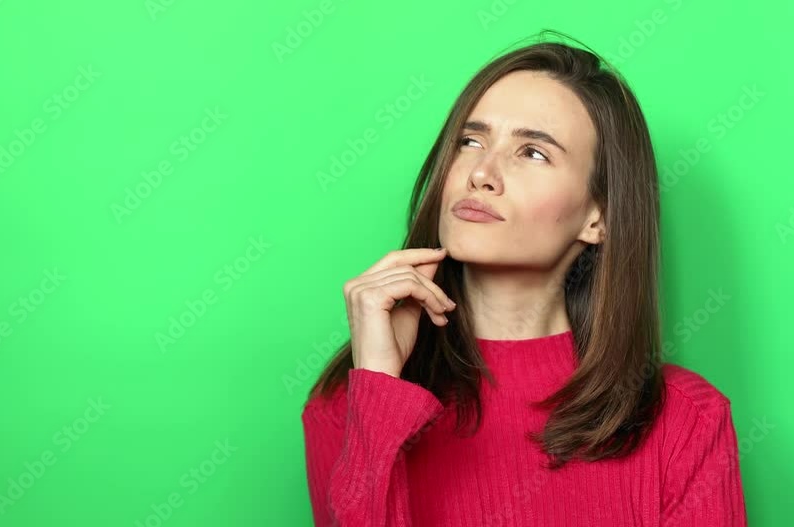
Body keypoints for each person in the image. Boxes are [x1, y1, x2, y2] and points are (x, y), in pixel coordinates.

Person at [301, 32, 748, 526]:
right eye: (470, 142)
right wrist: (379, 391)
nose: (481, 173)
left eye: (533, 152)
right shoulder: (348, 405)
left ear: (598, 217)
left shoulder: (687, 420)